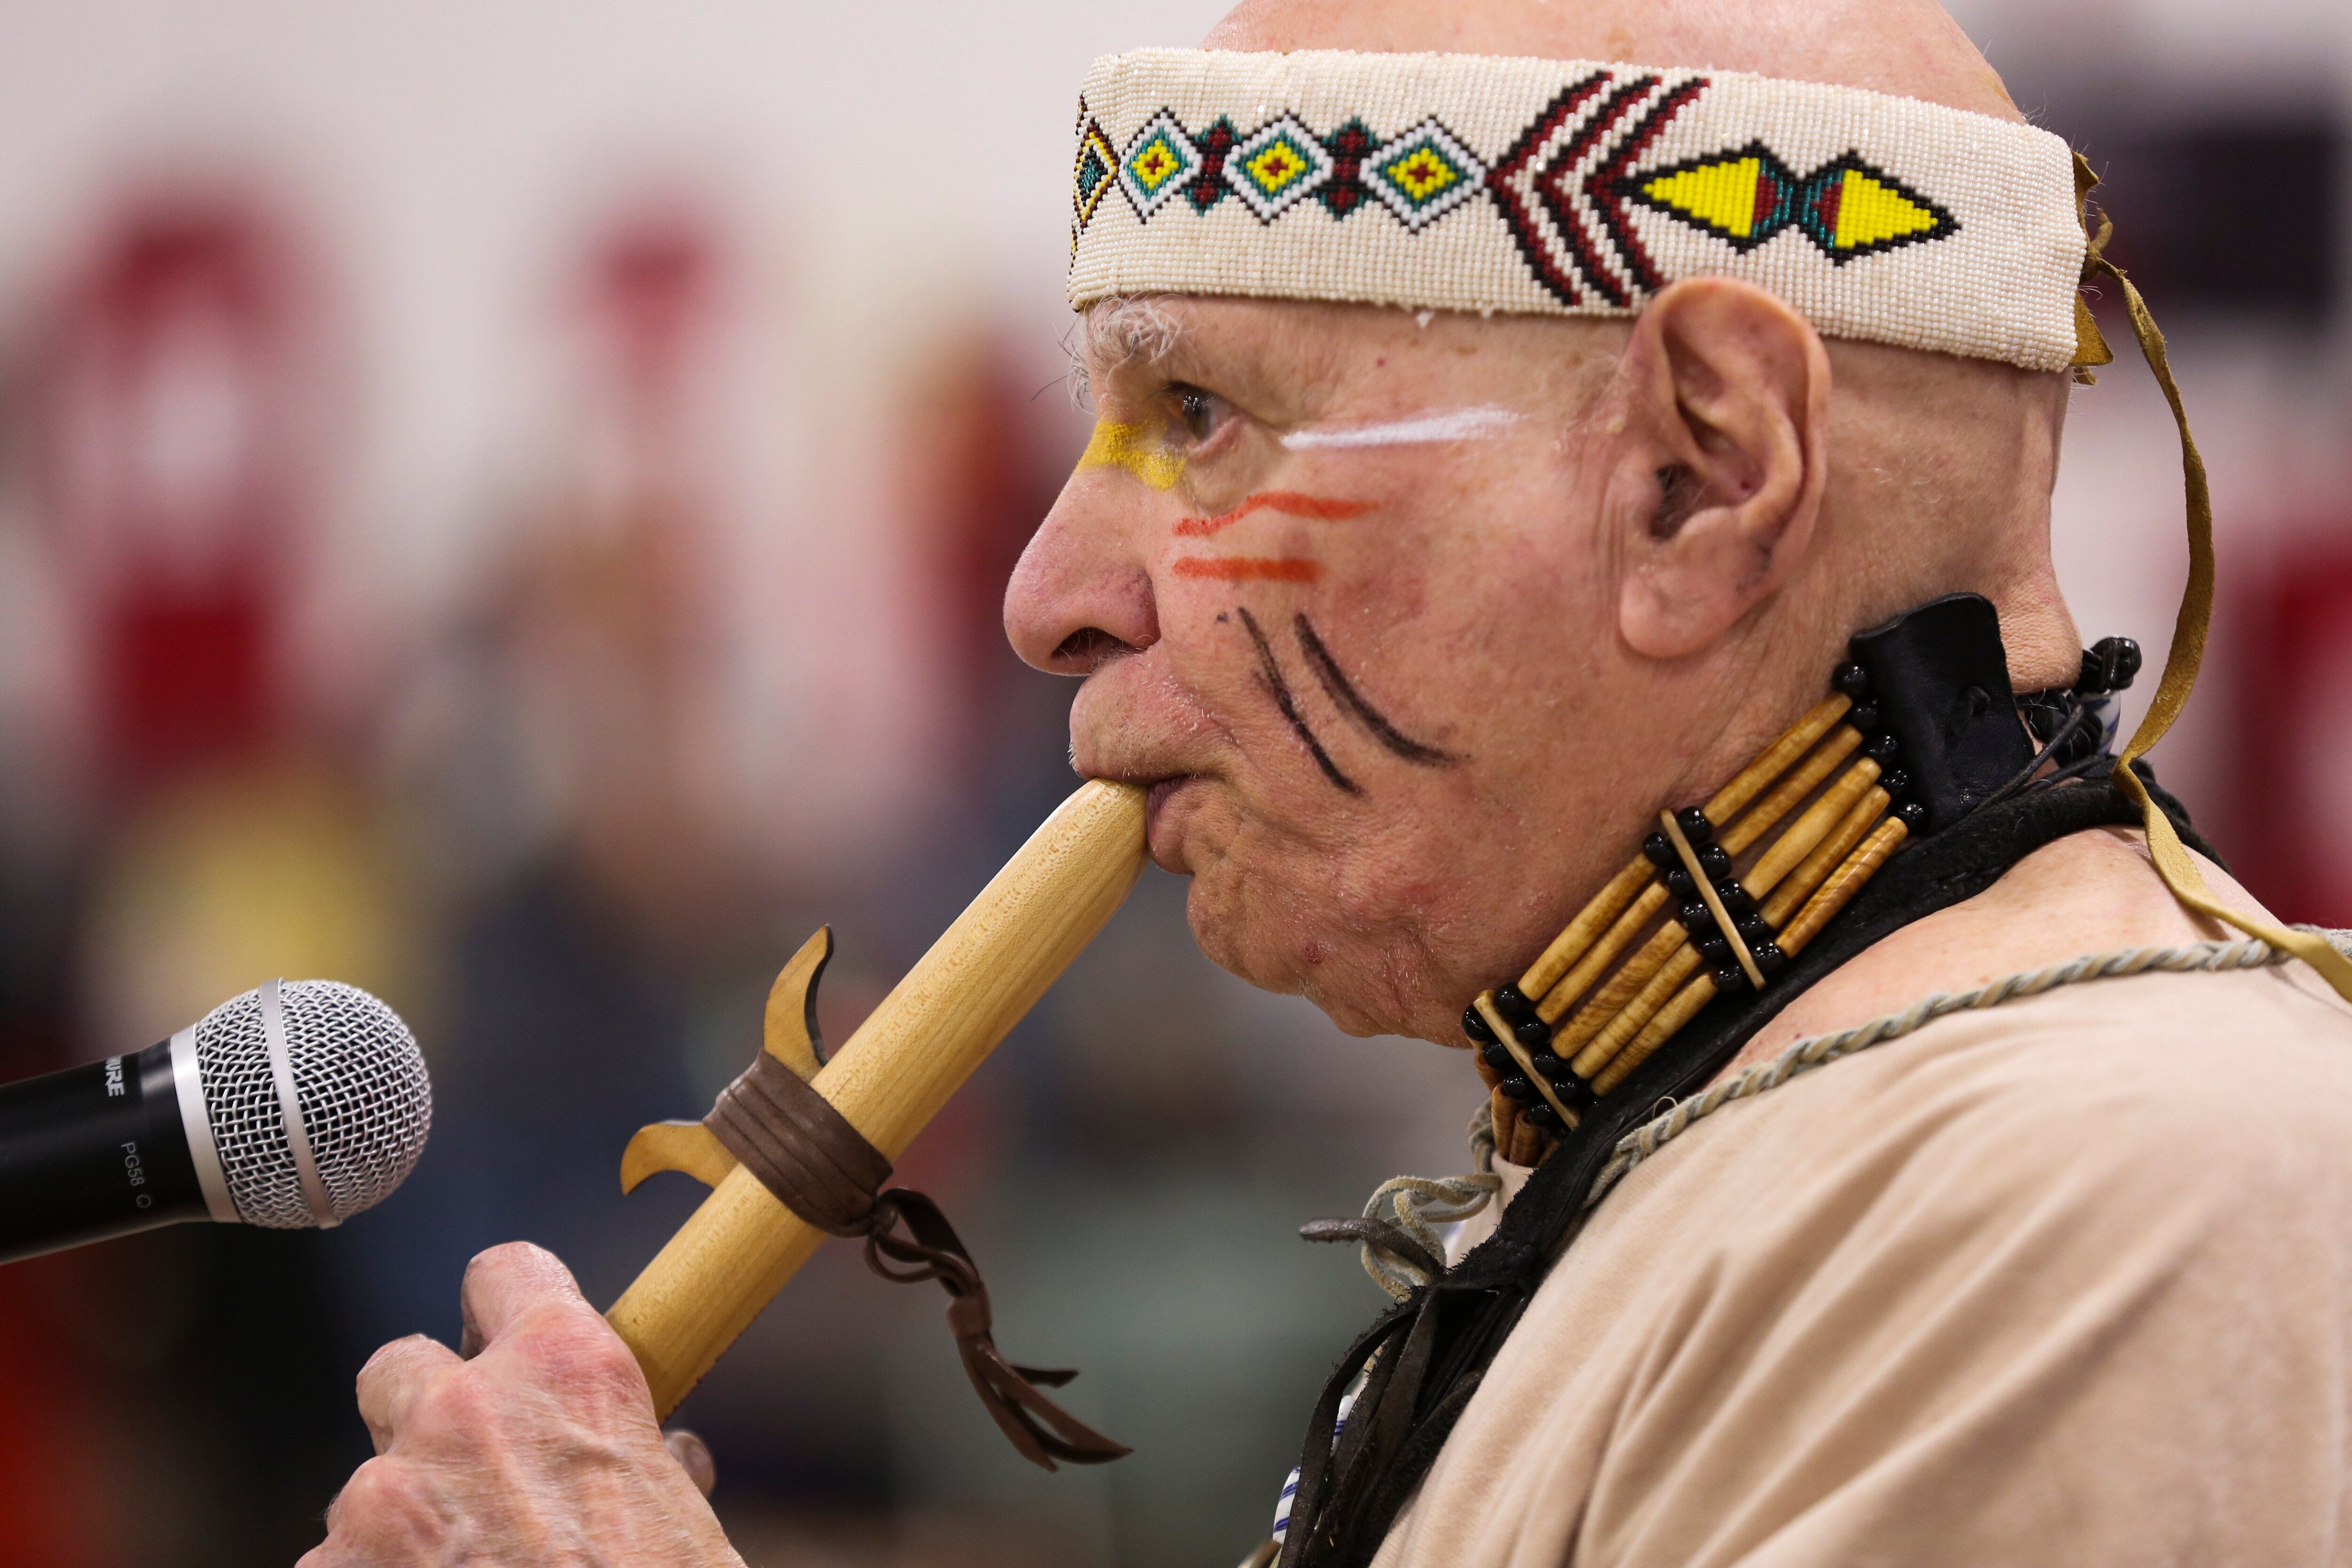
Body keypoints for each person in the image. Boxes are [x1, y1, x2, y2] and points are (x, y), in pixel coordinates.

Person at [302, 0, 2352, 1563]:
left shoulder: (2095, 1198)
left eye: (1197, 415)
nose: (1047, 595)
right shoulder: (1766, 1153)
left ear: (1700, 476)